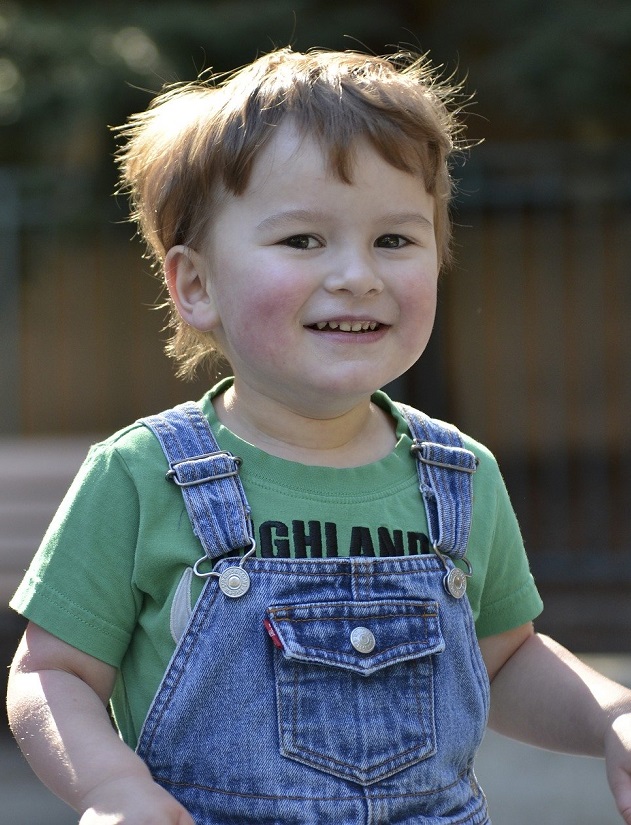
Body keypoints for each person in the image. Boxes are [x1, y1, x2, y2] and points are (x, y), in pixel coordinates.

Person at [6, 46, 631, 825]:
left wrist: (611, 715)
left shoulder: (459, 474)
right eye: (303, 240)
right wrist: (111, 786)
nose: (356, 275)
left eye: (394, 241)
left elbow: (503, 658)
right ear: (196, 285)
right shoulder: (142, 474)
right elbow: (50, 671)